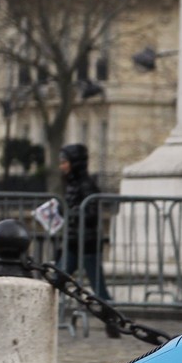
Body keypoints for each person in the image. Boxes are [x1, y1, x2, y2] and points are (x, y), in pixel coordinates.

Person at [58, 143, 119, 336]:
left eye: (65, 162)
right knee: (57, 278)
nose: (62, 166)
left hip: (88, 243)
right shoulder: (72, 183)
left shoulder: (86, 184)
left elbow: (91, 211)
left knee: (98, 288)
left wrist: (71, 213)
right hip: (73, 242)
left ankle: (114, 322)